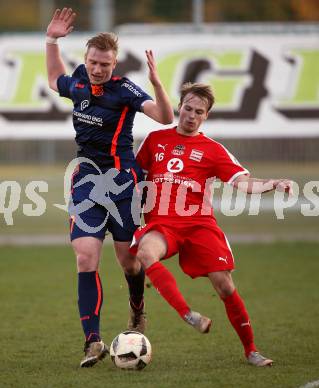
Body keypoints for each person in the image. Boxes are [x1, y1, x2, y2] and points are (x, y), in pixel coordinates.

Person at [130, 82, 293, 367]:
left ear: (206, 116)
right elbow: (132, 176)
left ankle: (251, 350)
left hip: (198, 225)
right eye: (188, 108)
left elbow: (241, 182)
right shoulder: (154, 140)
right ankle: (188, 314)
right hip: (162, 224)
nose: (191, 115)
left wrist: (274, 183)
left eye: (199, 112)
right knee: (145, 253)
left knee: (225, 286)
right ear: (179, 107)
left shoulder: (213, 149)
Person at [46, 8, 174, 367]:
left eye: (104, 64)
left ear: (114, 64)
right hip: (86, 182)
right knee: (85, 257)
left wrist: (157, 83)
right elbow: (56, 76)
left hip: (123, 185)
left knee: (129, 262)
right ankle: (92, 341)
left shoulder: (124, 90)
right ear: (86, 59)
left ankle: (137, 308)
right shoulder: (80, 82)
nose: (97, 68)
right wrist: (52, 40)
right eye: (92, 61)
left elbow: (165, 118)